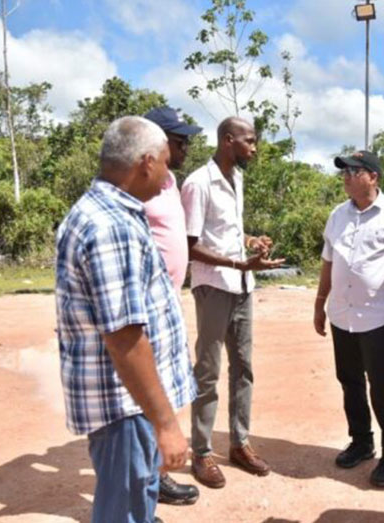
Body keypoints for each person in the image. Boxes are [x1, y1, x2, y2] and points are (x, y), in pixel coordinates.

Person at [55, 116, 197, 523]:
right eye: (167, 163)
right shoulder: (110, 227)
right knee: (125, 504)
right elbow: (124, 337)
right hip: (125, 404)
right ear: (146, 162)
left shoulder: (109, 211)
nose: (169, 176)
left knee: (138, 492)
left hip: (129, 401)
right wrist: (166, 424)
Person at [180, 117, 284, 489]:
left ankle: (239, 443)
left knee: (244, 367)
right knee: (207, 370)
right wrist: (238, 262)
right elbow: (190, 244)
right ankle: (202, 451)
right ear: (228, 140)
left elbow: (223, 232)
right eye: (250, 141)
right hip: (212, 287)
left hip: (242, 284)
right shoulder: (196, 183)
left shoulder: (237, 178)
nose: (254, 148)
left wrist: (250, 240)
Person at [314, 150, 384, 488]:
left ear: (372, 177)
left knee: (383, 385)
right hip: (341, 315)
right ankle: (361, 441)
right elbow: (328, 262)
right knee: (349, 380)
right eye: (343, 171)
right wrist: (320, 303)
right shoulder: (337, 215)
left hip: (379, 317)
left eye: (353, 171)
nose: (345, 176)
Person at [142, 106, 203, 506]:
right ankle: (141, 489)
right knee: (146, 397)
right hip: (143, 308)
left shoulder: (170, 182)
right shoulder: (138, 185)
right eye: (180, 141)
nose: (186, 147)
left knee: (164, 393)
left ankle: (155, 477)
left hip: (169, 303)